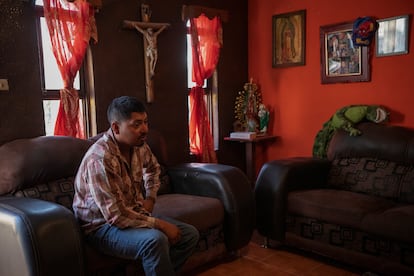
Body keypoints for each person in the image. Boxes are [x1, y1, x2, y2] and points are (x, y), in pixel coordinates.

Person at [72, 96, 199, 275]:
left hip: (133, 213)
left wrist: (150, 198)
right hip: (101, 228)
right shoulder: (100, 159)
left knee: (189, 235)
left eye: (146, 122)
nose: (145, 129)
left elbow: (154, 169)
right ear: (116, 127)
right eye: (136, 124)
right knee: (154, 240)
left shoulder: (139, 146)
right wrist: (160, 224)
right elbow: (116, 216)